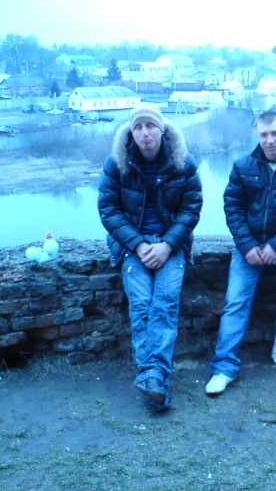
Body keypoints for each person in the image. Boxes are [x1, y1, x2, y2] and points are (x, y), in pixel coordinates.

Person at [205, 111, 276, 396]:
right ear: (257, 135)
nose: (270, 140)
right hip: (249, 245)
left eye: (275, 133)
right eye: (264, 135)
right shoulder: (242, 167)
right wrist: (247, 245)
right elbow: (233, 208)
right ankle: (224, 368)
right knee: (235, 302)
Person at [98, 104, 203, 412]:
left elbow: (191, 208)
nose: (145, 133)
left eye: (150, 126)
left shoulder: (183, 162)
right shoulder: (117, 163)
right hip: (133, 245)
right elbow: (108, 209)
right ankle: (156, 380)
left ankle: (152, 378)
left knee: (165, 303)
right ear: (132, 132)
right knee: (142, 304)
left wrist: (167, 245)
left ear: (161, 129)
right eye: (138, 127)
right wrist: (139, 244)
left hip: (171, 245)